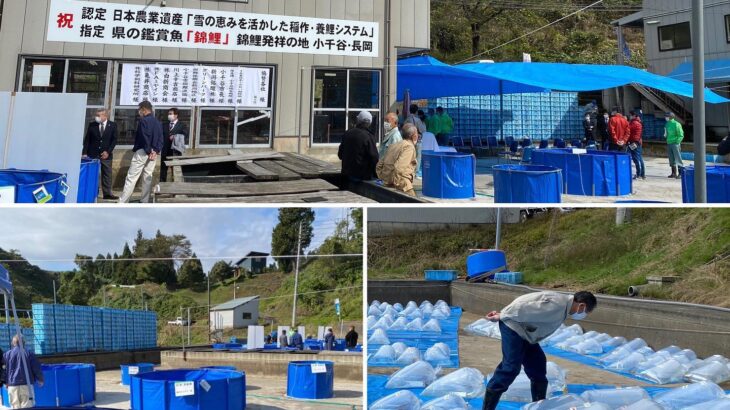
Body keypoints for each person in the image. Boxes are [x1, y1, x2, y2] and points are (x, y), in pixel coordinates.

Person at [482, 291, 598, 410]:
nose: (584, 314)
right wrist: (502, 315)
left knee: (538, 365)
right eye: (586, 312)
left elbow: (528, 307)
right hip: (513, 328)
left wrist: (504, 313)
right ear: (581, 306)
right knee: (510, 368)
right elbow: (523, 307)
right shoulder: (557, 304)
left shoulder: (563, 306)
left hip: (526, 333)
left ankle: (538, 406)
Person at [119, 101, 163, 203]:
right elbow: (161, 138)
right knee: (147, 177)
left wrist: (148, 151)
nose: (139, 112)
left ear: (144, 109)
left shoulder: (143, 121)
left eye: (139, 110)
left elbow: (144, 137)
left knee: (132, 177)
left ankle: (123, 201)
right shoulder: (158, 122)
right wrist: (155, 151)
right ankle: (144, 200)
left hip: (143, 151)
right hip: (153, 154)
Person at [82, 109, 118, 200]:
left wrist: (108, 152)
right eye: (96, 115)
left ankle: (107, 194)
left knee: (107, 174)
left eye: (99, 115)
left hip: (106, 155)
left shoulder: (113, 125)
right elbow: (87, 140)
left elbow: (114, 140)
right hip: (92, 154)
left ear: (105, 116)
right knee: (94, 174)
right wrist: (84, 153)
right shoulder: (92, 125)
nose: (97, 117)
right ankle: (93, 193)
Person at [376, 123, 418, 196]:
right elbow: (399, 167)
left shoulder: (393, 145)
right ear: (413, 136)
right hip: (402, 185)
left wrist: (384, 178)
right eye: (417, 133)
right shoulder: (409, 147)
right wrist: (397, 184)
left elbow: (379, 165)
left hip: (387, 183)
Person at [337, 111, 379, 182]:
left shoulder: (347, 133)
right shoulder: (369, 136)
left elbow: (340, 155)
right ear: (370, 123)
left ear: (358, 120)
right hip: (361, 177)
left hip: (346, 175)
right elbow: (374, 158)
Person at [4, 335, 44, 409]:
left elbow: (3, 370)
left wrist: (5, 382)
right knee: (27, 407)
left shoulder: (7, 355)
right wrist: (40, 379)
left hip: (12, 386)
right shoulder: (29, 354)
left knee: (15, 407)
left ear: (13, 343)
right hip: (26, 385)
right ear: (24, 343)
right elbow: (36, 368)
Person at [160, 108, 189, 183]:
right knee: (163, 169)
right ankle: (162, 186)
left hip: (176, 151)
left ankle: (176, 186)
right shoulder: (164, 124)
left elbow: (185, 135)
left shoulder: (182, 125)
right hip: (165, 150)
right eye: (168, 114)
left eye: (171, 114)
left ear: (176, 115)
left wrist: (176, 136)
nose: (169, 115)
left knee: (176, 170)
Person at [665, 112, 685, 179]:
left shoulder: (677, 124)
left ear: (670, 117)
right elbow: (666, 133)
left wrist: (677, 142)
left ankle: (681, 173)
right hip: (669, 143)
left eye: (667, 116)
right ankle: (673, 173)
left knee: (678, 158)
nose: (666, 117)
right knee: (671, 159)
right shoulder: (667, 124)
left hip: (675, 143)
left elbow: (681, 135)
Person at [628, 111, 646, 180]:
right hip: (637, 142)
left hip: (635, 143)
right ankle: (641, 174)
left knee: (636, 158)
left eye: (630, 115)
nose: (630, 117)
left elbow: (628, 129)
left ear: (634, 116)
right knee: (639, 157)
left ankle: (639, 174)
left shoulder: (635, 123)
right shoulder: (638, 122)